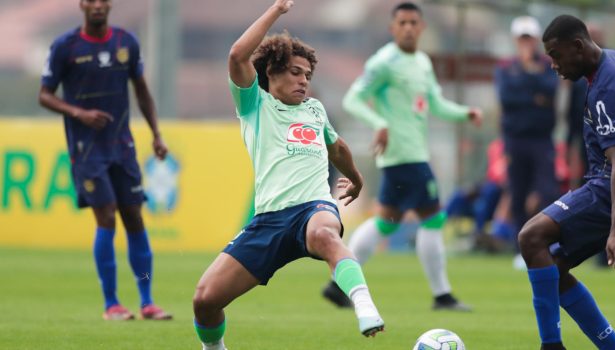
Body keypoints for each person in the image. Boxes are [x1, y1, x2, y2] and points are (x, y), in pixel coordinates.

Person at [191, 1, 384, 349]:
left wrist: (355, 178)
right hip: (267, 222)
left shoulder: (315, 109)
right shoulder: (254, 105)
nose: (303, 80)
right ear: (272, 72)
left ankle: (364, 305)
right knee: (205, 300)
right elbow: (237, 55)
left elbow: (337, 147)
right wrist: (277, 10)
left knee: (326, 234)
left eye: (308, 75)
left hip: (312, 208)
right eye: (296, 71)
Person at [519, 15, 615, 349]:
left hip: (612, 186)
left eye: (556, 56)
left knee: (530, 238)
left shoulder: (606, 90)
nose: (554, 66)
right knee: (552, 266)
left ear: (578, 46)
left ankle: (551, 345)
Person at [321, 1, 482, 312]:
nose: (408, 28)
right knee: (433, 219)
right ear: (392, 28)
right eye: (402, 23)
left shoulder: (422, 62)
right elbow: (353, 99)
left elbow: (435, 103)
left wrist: (465, 113)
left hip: (410, 156)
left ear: (421, 27)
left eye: (413, 22)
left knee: (386, 223)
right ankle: (442, 295)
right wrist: (379, 123)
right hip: (404, 156)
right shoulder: (383, 62)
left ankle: (338, 283)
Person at [38, 0, 171, 321]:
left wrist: (156, 133)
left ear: (109, 5)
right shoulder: (65, 46)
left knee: (134, 217)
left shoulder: (126, 42)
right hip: (87, 149)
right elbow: (45, 94)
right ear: (82, 5)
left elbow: (141, 90)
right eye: (91, 0)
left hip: (122, 146)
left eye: (103, 0)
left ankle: (147, 301)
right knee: (107, 217)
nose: (97, 5)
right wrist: (78, 113)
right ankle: (111, 304)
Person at [494, 16, 560, 269]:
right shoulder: (505, 68)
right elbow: (507, 96)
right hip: (515, 140)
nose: (526, 43)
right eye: (522, 38)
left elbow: (550, 90)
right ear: (515, 40)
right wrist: (534, 93)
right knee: (517, 193)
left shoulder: (547, 65)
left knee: (547, 191)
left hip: (542, 139)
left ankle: (547, 244)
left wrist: (528, 79)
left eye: (529, 38)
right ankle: (521, 248)